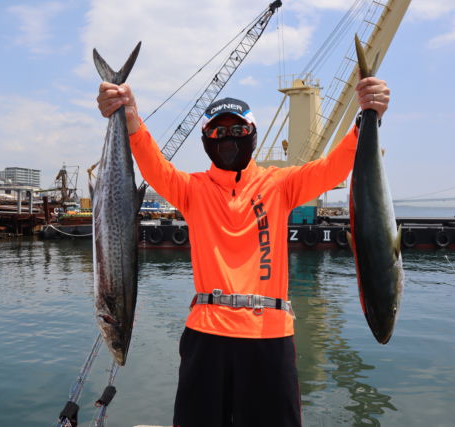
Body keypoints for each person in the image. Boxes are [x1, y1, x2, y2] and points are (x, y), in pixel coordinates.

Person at [97, 75, 390, 427]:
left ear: (252, 133)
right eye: (218, 132)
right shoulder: (191, 188)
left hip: (270, 336)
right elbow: (153, 164)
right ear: (205, 139)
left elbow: (333, 168)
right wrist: (130, 117)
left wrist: (366, 118)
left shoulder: (280, 184)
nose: (228, 139)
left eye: (237, 130)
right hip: (207, 334)